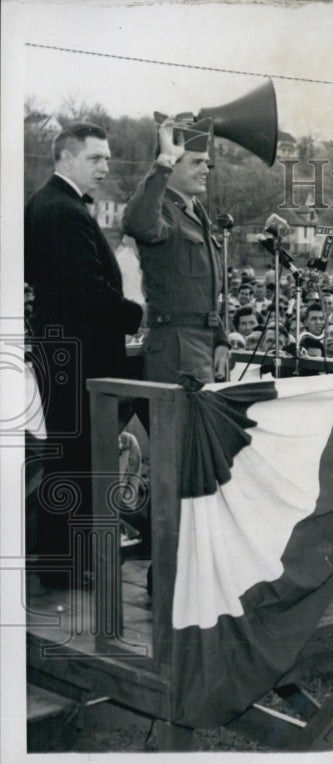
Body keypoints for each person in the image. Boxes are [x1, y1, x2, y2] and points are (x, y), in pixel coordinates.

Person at [25, 122, 144, 573]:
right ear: (66, 157)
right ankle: (67, 564)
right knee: (75, 459)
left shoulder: (52, 203)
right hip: (75, 358)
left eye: (109, 158)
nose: (106, 166)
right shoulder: (63, 210)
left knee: (70, 458)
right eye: (96, 158)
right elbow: (86, 290)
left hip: (65, 354)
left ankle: (67, 561)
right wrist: (135, 315)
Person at [123, 118, 229, 386]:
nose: (206, 169)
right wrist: (163, 163)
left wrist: (220, 339)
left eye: (207, 162)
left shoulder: (196, 214)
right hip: (176, 349)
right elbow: (139, 224)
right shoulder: (164, 210)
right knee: (183, 429)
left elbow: (204, 295)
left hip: (203, 346)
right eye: (196, 162)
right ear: (172, 167)